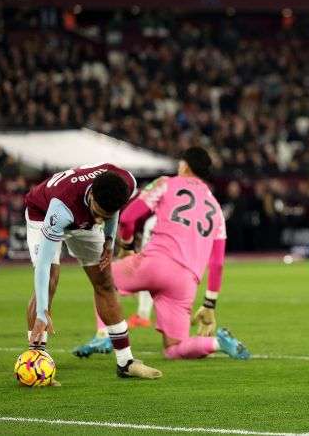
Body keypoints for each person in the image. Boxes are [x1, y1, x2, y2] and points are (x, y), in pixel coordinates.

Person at [73, 148, 250, 360]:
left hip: (156, 262)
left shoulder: (166, 183)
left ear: (184, 166)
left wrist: (127, 247)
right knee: (174, 349)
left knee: (103, 278)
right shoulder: (216, 208)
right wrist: (209, 303)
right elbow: (218, 262)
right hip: (185, 281)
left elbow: (128, 218)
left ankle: (104, 334)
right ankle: (217, 342)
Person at [24, 163, 162, 381]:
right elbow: (42, 265)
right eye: (98, 213)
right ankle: (36, 363)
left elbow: (109, 212)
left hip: (82, 217)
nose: (100, 220)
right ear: (92, 196)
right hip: (43, 214)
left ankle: (125, 362)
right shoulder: (61, 208)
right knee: (50, 278)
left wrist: (108, 240)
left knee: (105, 281)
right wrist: (42, 312)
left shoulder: (126, 182)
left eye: (105, 217)